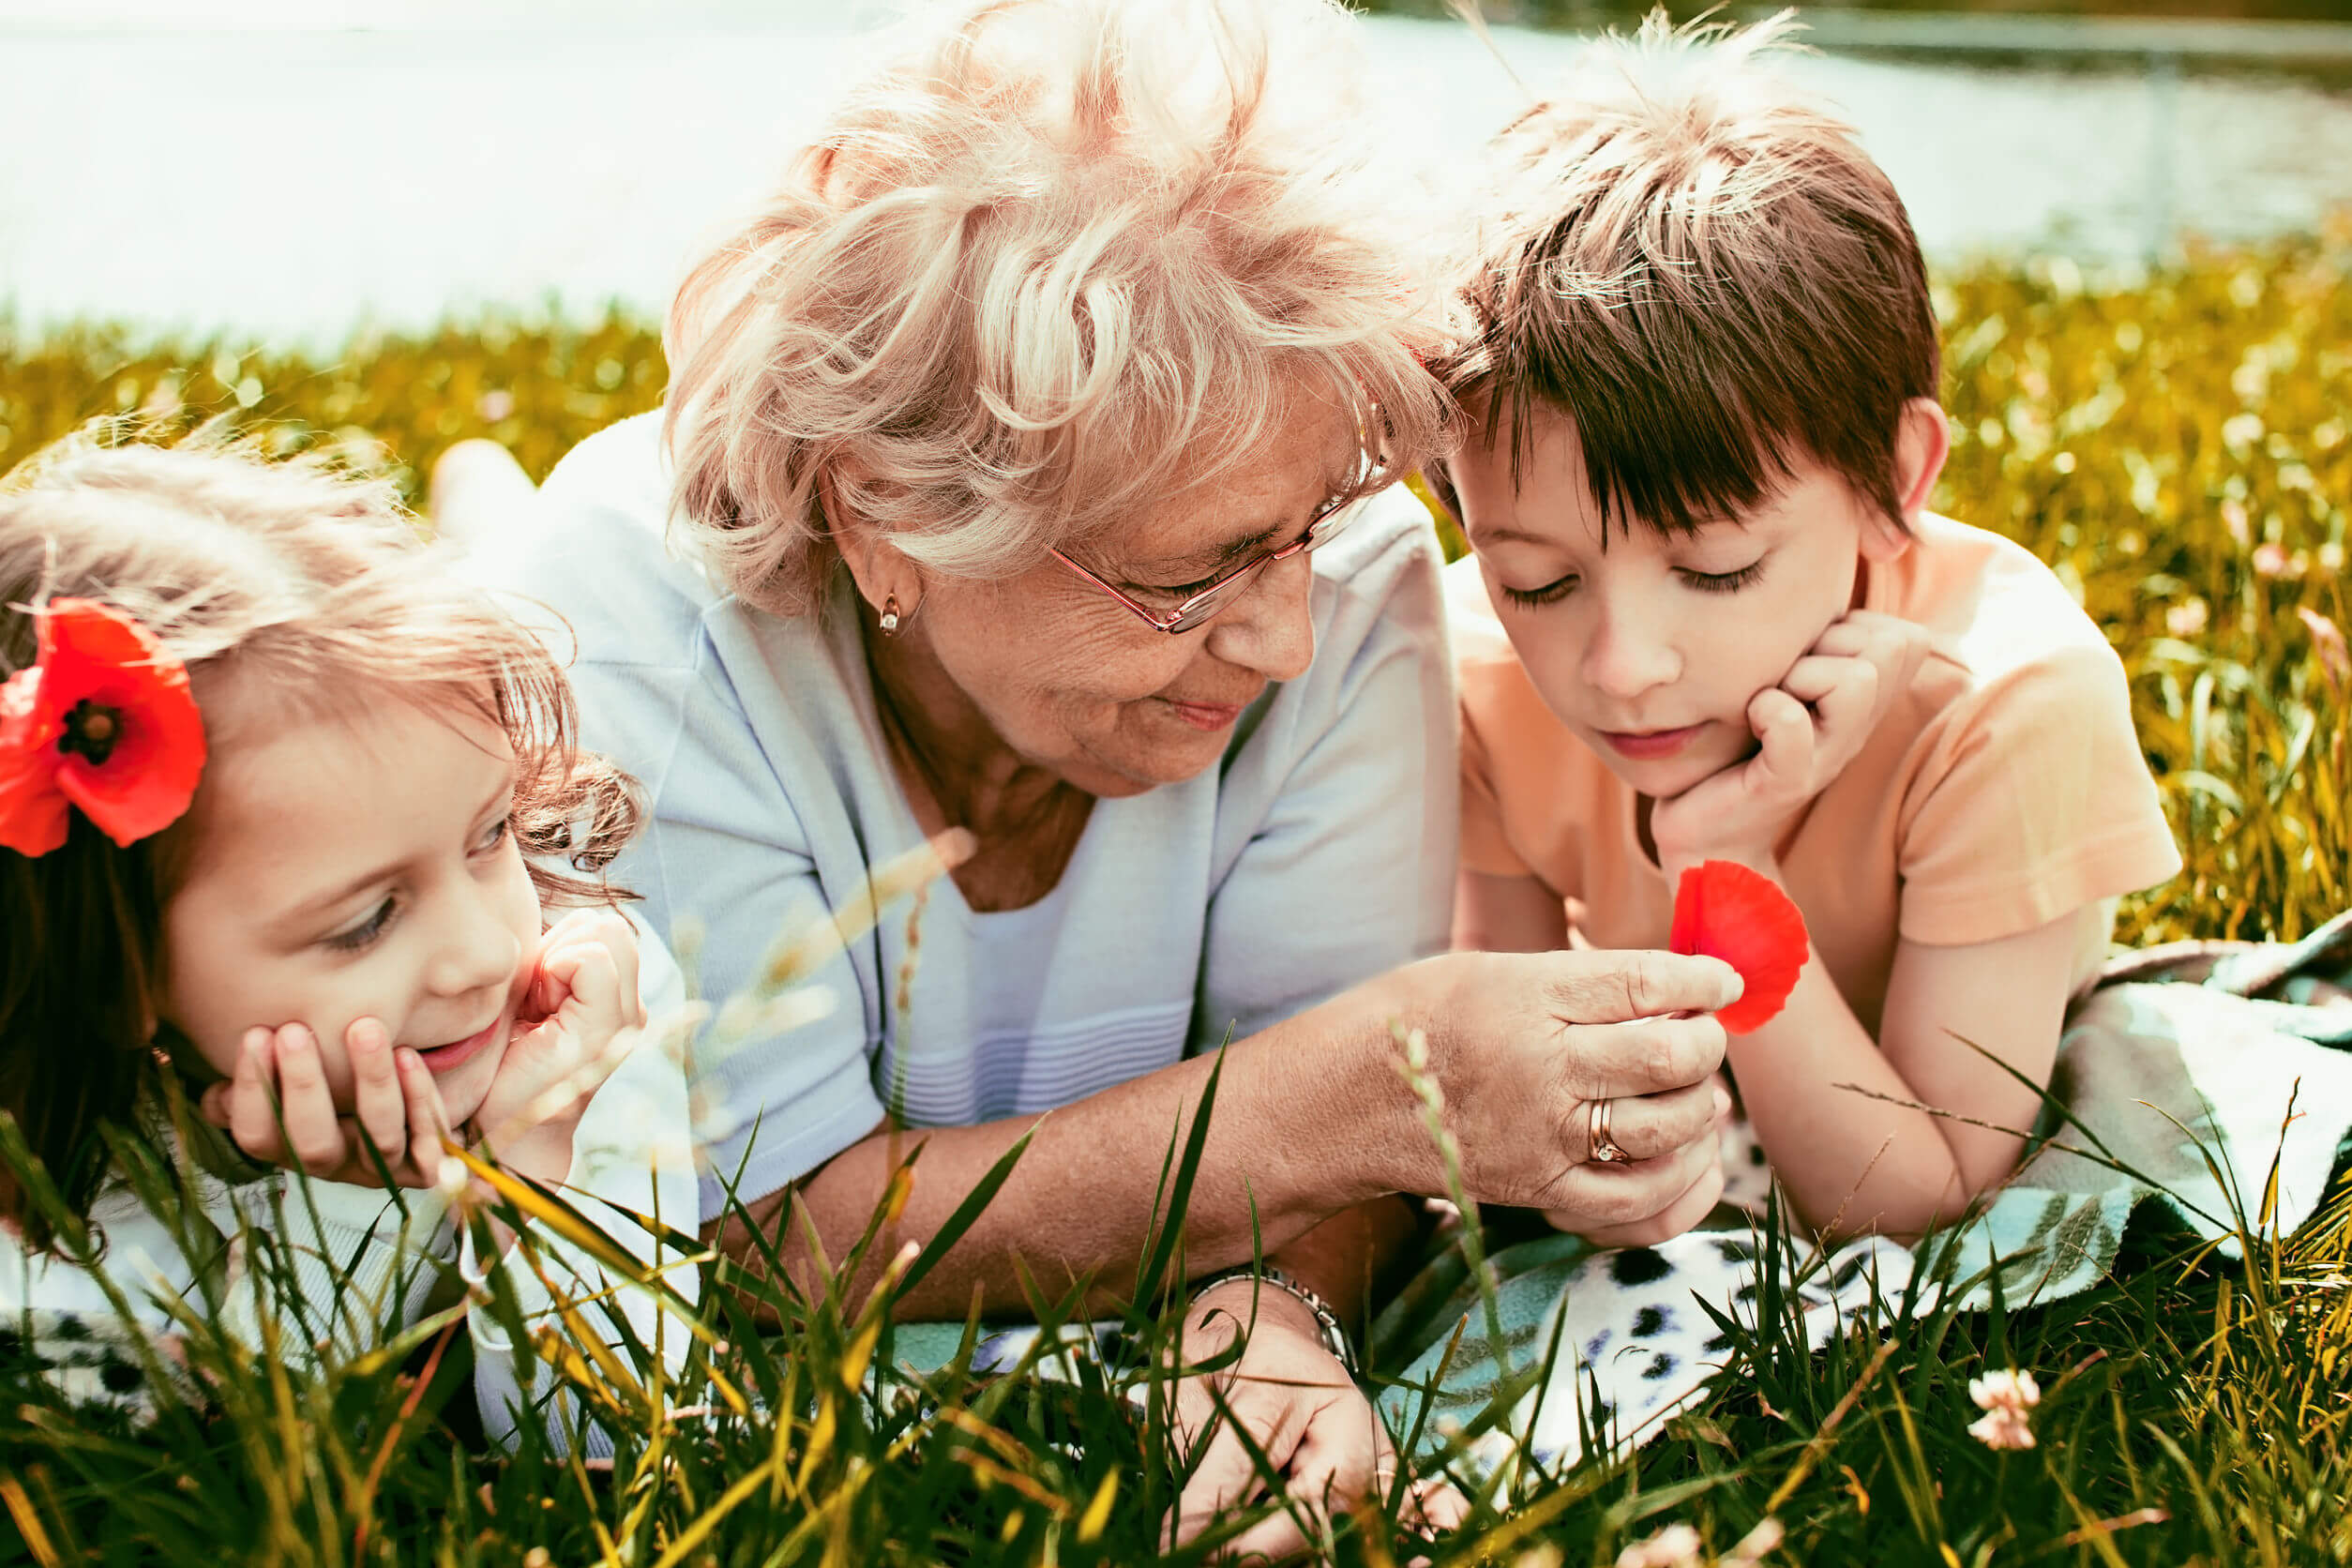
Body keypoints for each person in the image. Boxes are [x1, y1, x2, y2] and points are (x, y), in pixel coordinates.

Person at [433, 0, 1746, 1547]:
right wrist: (1375, 1080)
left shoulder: (1343, 585)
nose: (1274, 637)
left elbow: (1354, 1186)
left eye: (1305, 523)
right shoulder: (642, 630)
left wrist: (1259, 1322)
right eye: (1187, 575)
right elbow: (739, 1236)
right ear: (882, 517)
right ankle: (469, 516)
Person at [1433, 15, 2182, 1243]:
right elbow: (1516, 1137)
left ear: (1894, 481)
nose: (1621, 670)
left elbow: (1913, 1201)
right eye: (1539, 583)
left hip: (1900, 1117)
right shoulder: (1470, 668)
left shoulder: (2008, 707)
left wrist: (1730, 866)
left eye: (1718, 569)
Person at [0, 435, 697, 1452]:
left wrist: (533, 1170)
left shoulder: (571, 1008)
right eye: (366, 920)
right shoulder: (54, 1227)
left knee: (500, 555)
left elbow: (621, 1451)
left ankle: (483, 497)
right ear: (111, 971)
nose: (481, 956)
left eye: (489, 832)